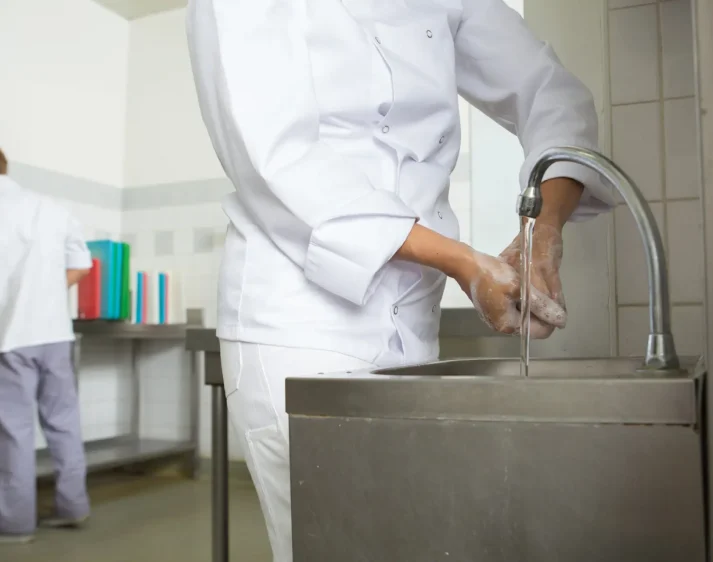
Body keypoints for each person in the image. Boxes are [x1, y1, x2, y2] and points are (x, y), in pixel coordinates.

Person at [186, 1, 614, 560]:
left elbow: (549, 94)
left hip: (413, 321)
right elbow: (276, 159)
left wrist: (544, 225)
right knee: (329, 544)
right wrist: (462, 261)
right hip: (298, 322)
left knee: (409, 537)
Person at [0, 148, 93, 544]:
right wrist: (48, 295)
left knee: (14, 431)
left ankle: (15, 524)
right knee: (64, 423)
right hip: (56, 333)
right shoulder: (50, 207)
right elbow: (82, 263)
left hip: (12, 338)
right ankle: (73, 508)